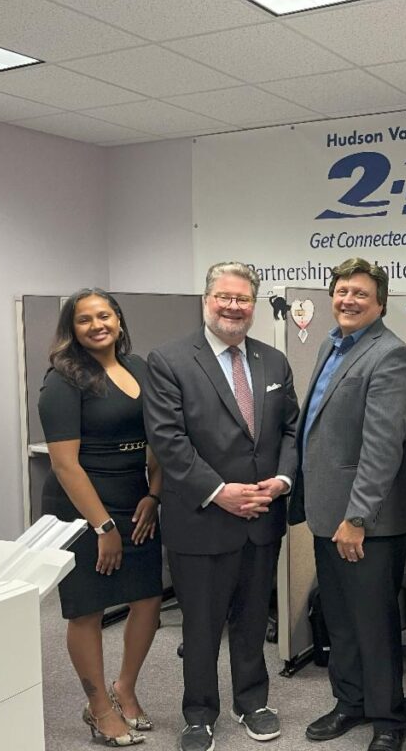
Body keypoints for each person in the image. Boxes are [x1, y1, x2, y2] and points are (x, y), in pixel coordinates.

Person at [143, 262, 299, 751]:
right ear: (206, 300)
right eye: (223, 297)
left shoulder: (275, 362)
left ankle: (252, 701)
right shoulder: (168, 361)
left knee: (253, 618)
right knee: (202, 623)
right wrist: (219, 492)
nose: (234, 306)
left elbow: (291, 430)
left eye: (243, 299)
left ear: (254, 305)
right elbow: (168, 440)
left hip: (262, 516)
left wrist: (281, 480)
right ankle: (199, 712)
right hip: (202, 516)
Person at [288, 258, 406, 751]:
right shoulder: (331, 344)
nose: (348, 300)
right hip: (328, 513)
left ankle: (388, 717)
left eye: (360, 293)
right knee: (340, 618)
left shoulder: (392, 356)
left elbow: (383, 447)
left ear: (380, 302)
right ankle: (350, 702)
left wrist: (356, 517)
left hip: (367, 521)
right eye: (342, 291)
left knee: (373, 621)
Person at [39, 289, 162, 747]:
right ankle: (98, 708)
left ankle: (124, 687)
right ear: (72, 330)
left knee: (148, 599)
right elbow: (65, 464)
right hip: (83, 506)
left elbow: (160, 438)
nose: (96, 325)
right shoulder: (63, 381)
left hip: (136, 499)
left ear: (119, 320)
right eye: (84, 320)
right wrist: (103, 526)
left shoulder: (140, 368)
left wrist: (154, 493)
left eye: (104, 315)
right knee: (87, 610)